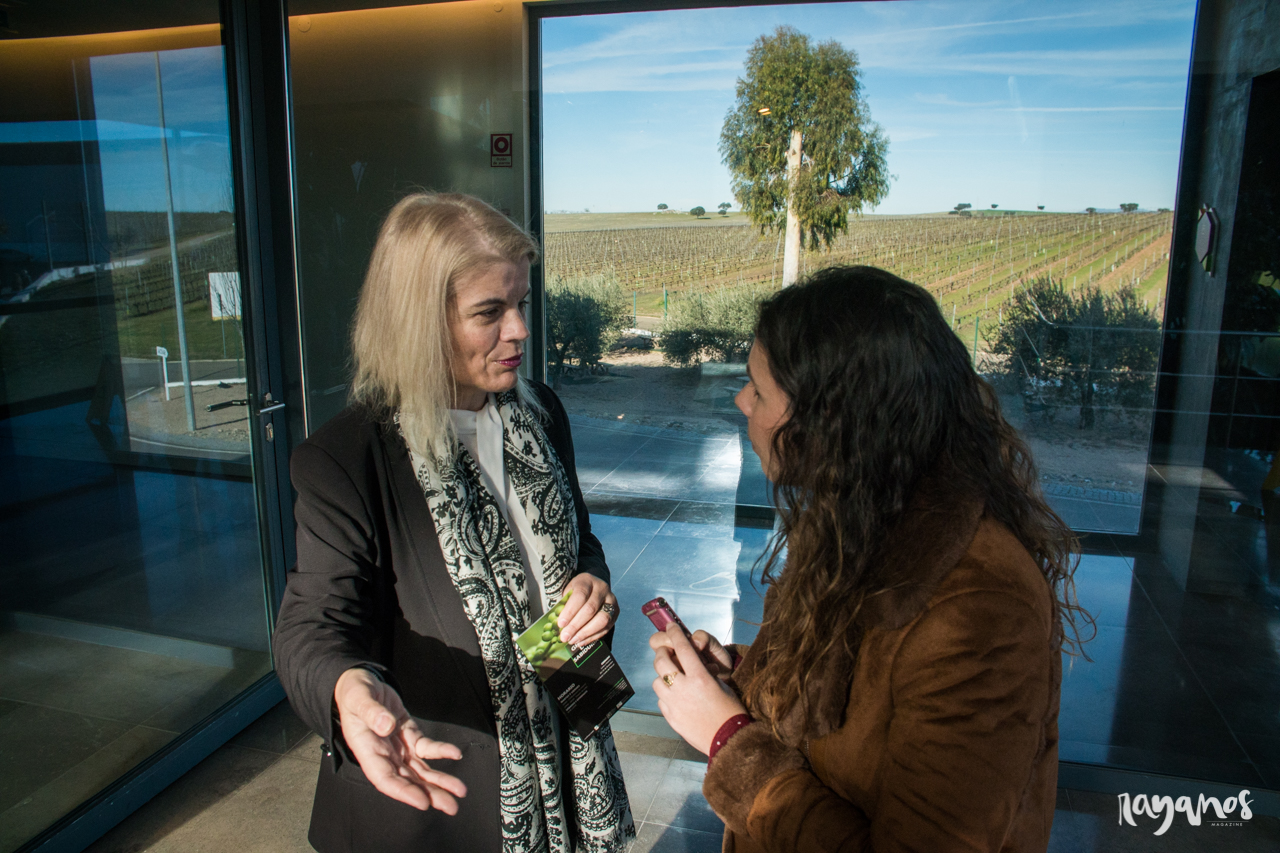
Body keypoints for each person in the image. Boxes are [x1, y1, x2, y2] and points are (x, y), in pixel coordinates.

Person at [650, 266, 1086, 852]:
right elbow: (857, 697)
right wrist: (740, 675)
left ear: (829, 420)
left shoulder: (980, 610)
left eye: (758, 389)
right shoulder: (861, 523)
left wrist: (729, 739)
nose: (739, 399)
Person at [274, 193, 634, 853]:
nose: (520, 329)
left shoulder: (540, 412)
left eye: (521, 303)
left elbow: (577, 539)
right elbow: (313, 624)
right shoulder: (344, 460)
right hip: (441, 804)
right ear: (418, 322)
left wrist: (590, 582)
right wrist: (347, 690)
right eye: (489, 312)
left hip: (568, 754)